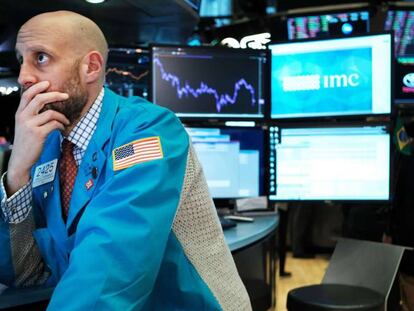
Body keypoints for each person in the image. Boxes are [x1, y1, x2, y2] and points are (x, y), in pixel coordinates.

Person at [0, 11, 251, 310]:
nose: (23, 76)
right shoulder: (47, 146)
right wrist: (16, 171)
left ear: (90, 67)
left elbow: (111, 269)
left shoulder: (149, 131)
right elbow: (27, 272)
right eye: (21, 60)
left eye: (40, 58)